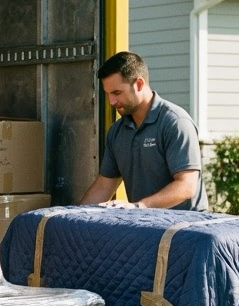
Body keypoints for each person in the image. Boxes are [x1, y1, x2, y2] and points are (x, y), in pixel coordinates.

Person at [79, 51, 208, 211]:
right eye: (108, 94)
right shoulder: (116, 132)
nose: (112, 101)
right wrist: (72, 217)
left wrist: (140, 206)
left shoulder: (176, 123)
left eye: (117, 93)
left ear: (139, 84)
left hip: (186, 230)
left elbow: (187, 186)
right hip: (145, 226)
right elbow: (104, 185)